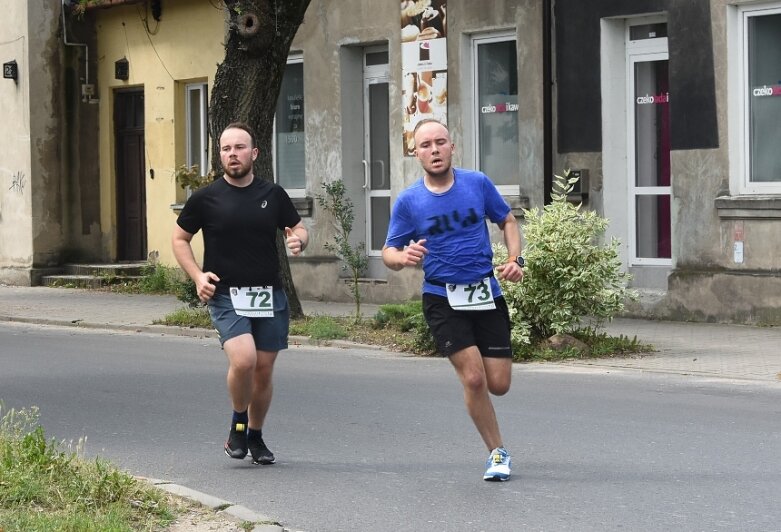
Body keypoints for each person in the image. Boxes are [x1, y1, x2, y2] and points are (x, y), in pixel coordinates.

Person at [382, 119, 524, 481]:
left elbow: (507, 220)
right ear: (416, 153)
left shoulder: (476, 183)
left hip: (485, 292)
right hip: (441, 296)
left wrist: (514, 260)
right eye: (425, 145)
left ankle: (493, 437)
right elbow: (389, 251)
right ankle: (497, 453)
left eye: (440, 142)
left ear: (452, 147)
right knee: (474, 379)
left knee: (499, 384)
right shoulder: (410, 201)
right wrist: (403, 257)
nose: (434, 150)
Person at [172, 122, 308, 465]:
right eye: (226, 149)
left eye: (239, 148)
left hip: (268, 293)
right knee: (244, 359)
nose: (232, 154)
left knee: (263, 369)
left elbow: (299, 228)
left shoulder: (272, 195)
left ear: (254, 153)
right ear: (220, 156)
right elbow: (179, 239)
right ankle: (238, 421)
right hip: (226, 294)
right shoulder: (205, 198)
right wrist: (197, 276)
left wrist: (298, 240)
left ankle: (256, 436)